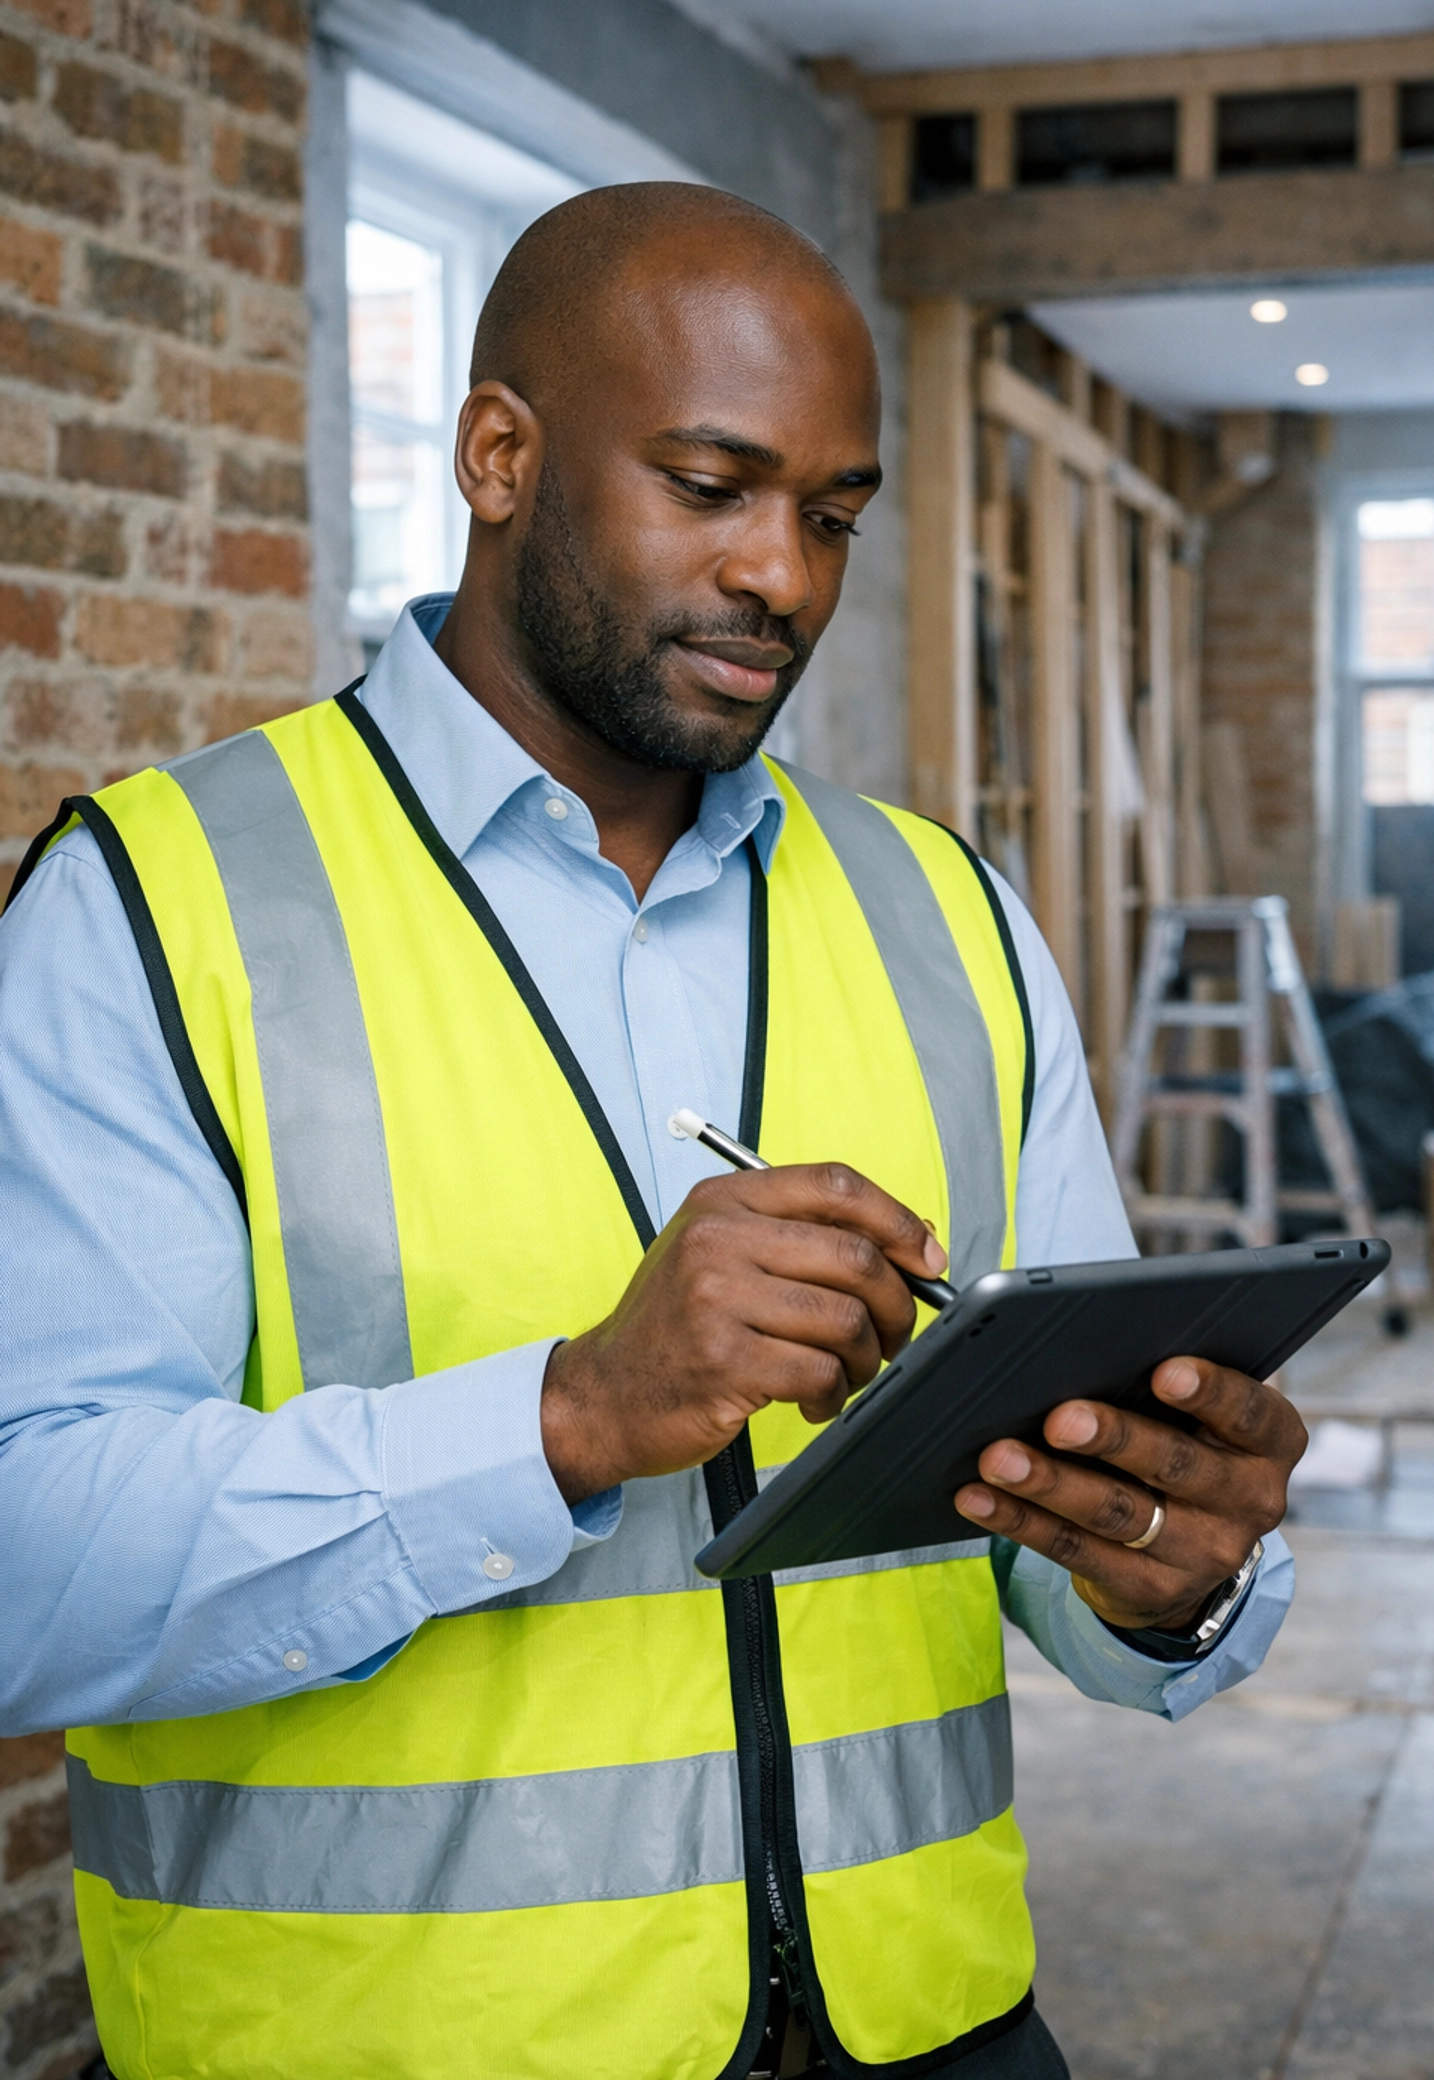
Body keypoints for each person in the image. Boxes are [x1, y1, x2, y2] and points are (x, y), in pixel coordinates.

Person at [0, 184, 1303, 2080]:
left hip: (934, 2034)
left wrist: (1167, 1570)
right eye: (712, 487)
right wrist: (565, 1417)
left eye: (834, 516)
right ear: (499, 454)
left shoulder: (951, 917)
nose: (784, 573)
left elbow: (1061, 1556)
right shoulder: (157, 907)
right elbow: (28, 1573)